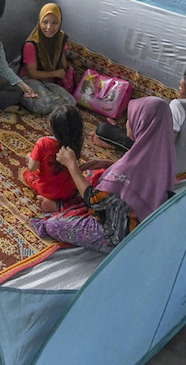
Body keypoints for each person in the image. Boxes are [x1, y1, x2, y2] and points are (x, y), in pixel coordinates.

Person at [31, 96, 175, 252]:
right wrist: (108, 165)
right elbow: (138, 177)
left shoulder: (124, 171)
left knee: (54, 225)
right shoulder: (163, 156)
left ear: (142, 123)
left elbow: (94, 201)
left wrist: (72, 166)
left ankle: (59, 206)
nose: (126, 123)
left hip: (119, 235)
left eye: (130, 119)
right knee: (96, 174)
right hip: (141, 221)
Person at [94, 63, 186, 175]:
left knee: (103, 129)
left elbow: (162, 149)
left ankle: (110, 142)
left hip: (166, 165)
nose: (179, 89)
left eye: (180, 86)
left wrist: (133, 131)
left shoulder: (180, 107)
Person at [24, 104, 85, 213]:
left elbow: (32, 168)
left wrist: (29, 158)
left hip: (47, 191)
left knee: (27, 174)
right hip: (69, 192)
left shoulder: (44, 143)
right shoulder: (76, 142)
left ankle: (47, 198)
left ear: (52, 126)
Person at [19, 3, 77, 115]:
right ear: (40, 22)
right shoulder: (31, 45)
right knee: (42, 105)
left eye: (54, 23)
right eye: (45, 22)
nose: (49, 27)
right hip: (31, 79)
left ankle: (54, 104)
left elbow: (62, 64)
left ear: (60, 23)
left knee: (71, 102)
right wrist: (55, 73)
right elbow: (32, 73)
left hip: (49, 81)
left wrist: (65, 74)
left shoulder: (60, 39)